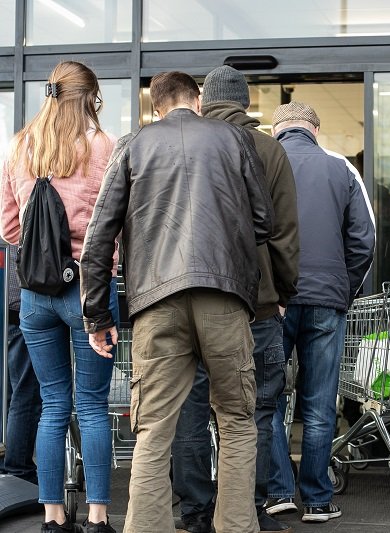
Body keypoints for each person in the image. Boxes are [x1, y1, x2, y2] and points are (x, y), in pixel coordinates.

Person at [80, 71, 275, 533]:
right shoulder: (235, 139)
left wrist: (97, 315)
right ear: (199, 99)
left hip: (155, 301)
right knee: (237, 419)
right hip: (224, 297)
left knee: (153, 428)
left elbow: (98, 237)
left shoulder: (133, 145)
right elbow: (263, 222)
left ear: (156, 105)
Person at [169, 66, 300, 533]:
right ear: (246, 103)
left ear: (204, 102)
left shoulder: (187, 144)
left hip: (189, 294)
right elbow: (283, 232)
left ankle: (196, 511)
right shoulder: (269, 149)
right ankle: (250, 508)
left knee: (190, 406)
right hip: (258, 302)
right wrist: (283, 292)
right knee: (255, 410)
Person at [0, 60, 119, 533]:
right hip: (87, 293)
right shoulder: (102, 146)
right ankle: (96, 518)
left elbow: (9, 228)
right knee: (91, 404)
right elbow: (117, 225)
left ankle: (51, 519)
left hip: (34, 297)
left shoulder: (19, 148)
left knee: (52, 404)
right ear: (90, 99)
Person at [265, 101, 374, 523]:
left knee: (269, 399)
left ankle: (277, 492)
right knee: (319, 399)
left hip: (274, 302)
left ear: (277, 131)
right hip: (327, 299)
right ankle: (316, 498)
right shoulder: (342, 167)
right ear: (315, 128)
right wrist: (342, 290)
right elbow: (364, 240)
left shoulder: (262, 166)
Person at [0, 243, 42, 485]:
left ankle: (9, 463)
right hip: (19, 309)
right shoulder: (20, 212)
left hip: (6, 310)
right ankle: (19, 469)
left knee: (8, 396)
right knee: (26, 395)